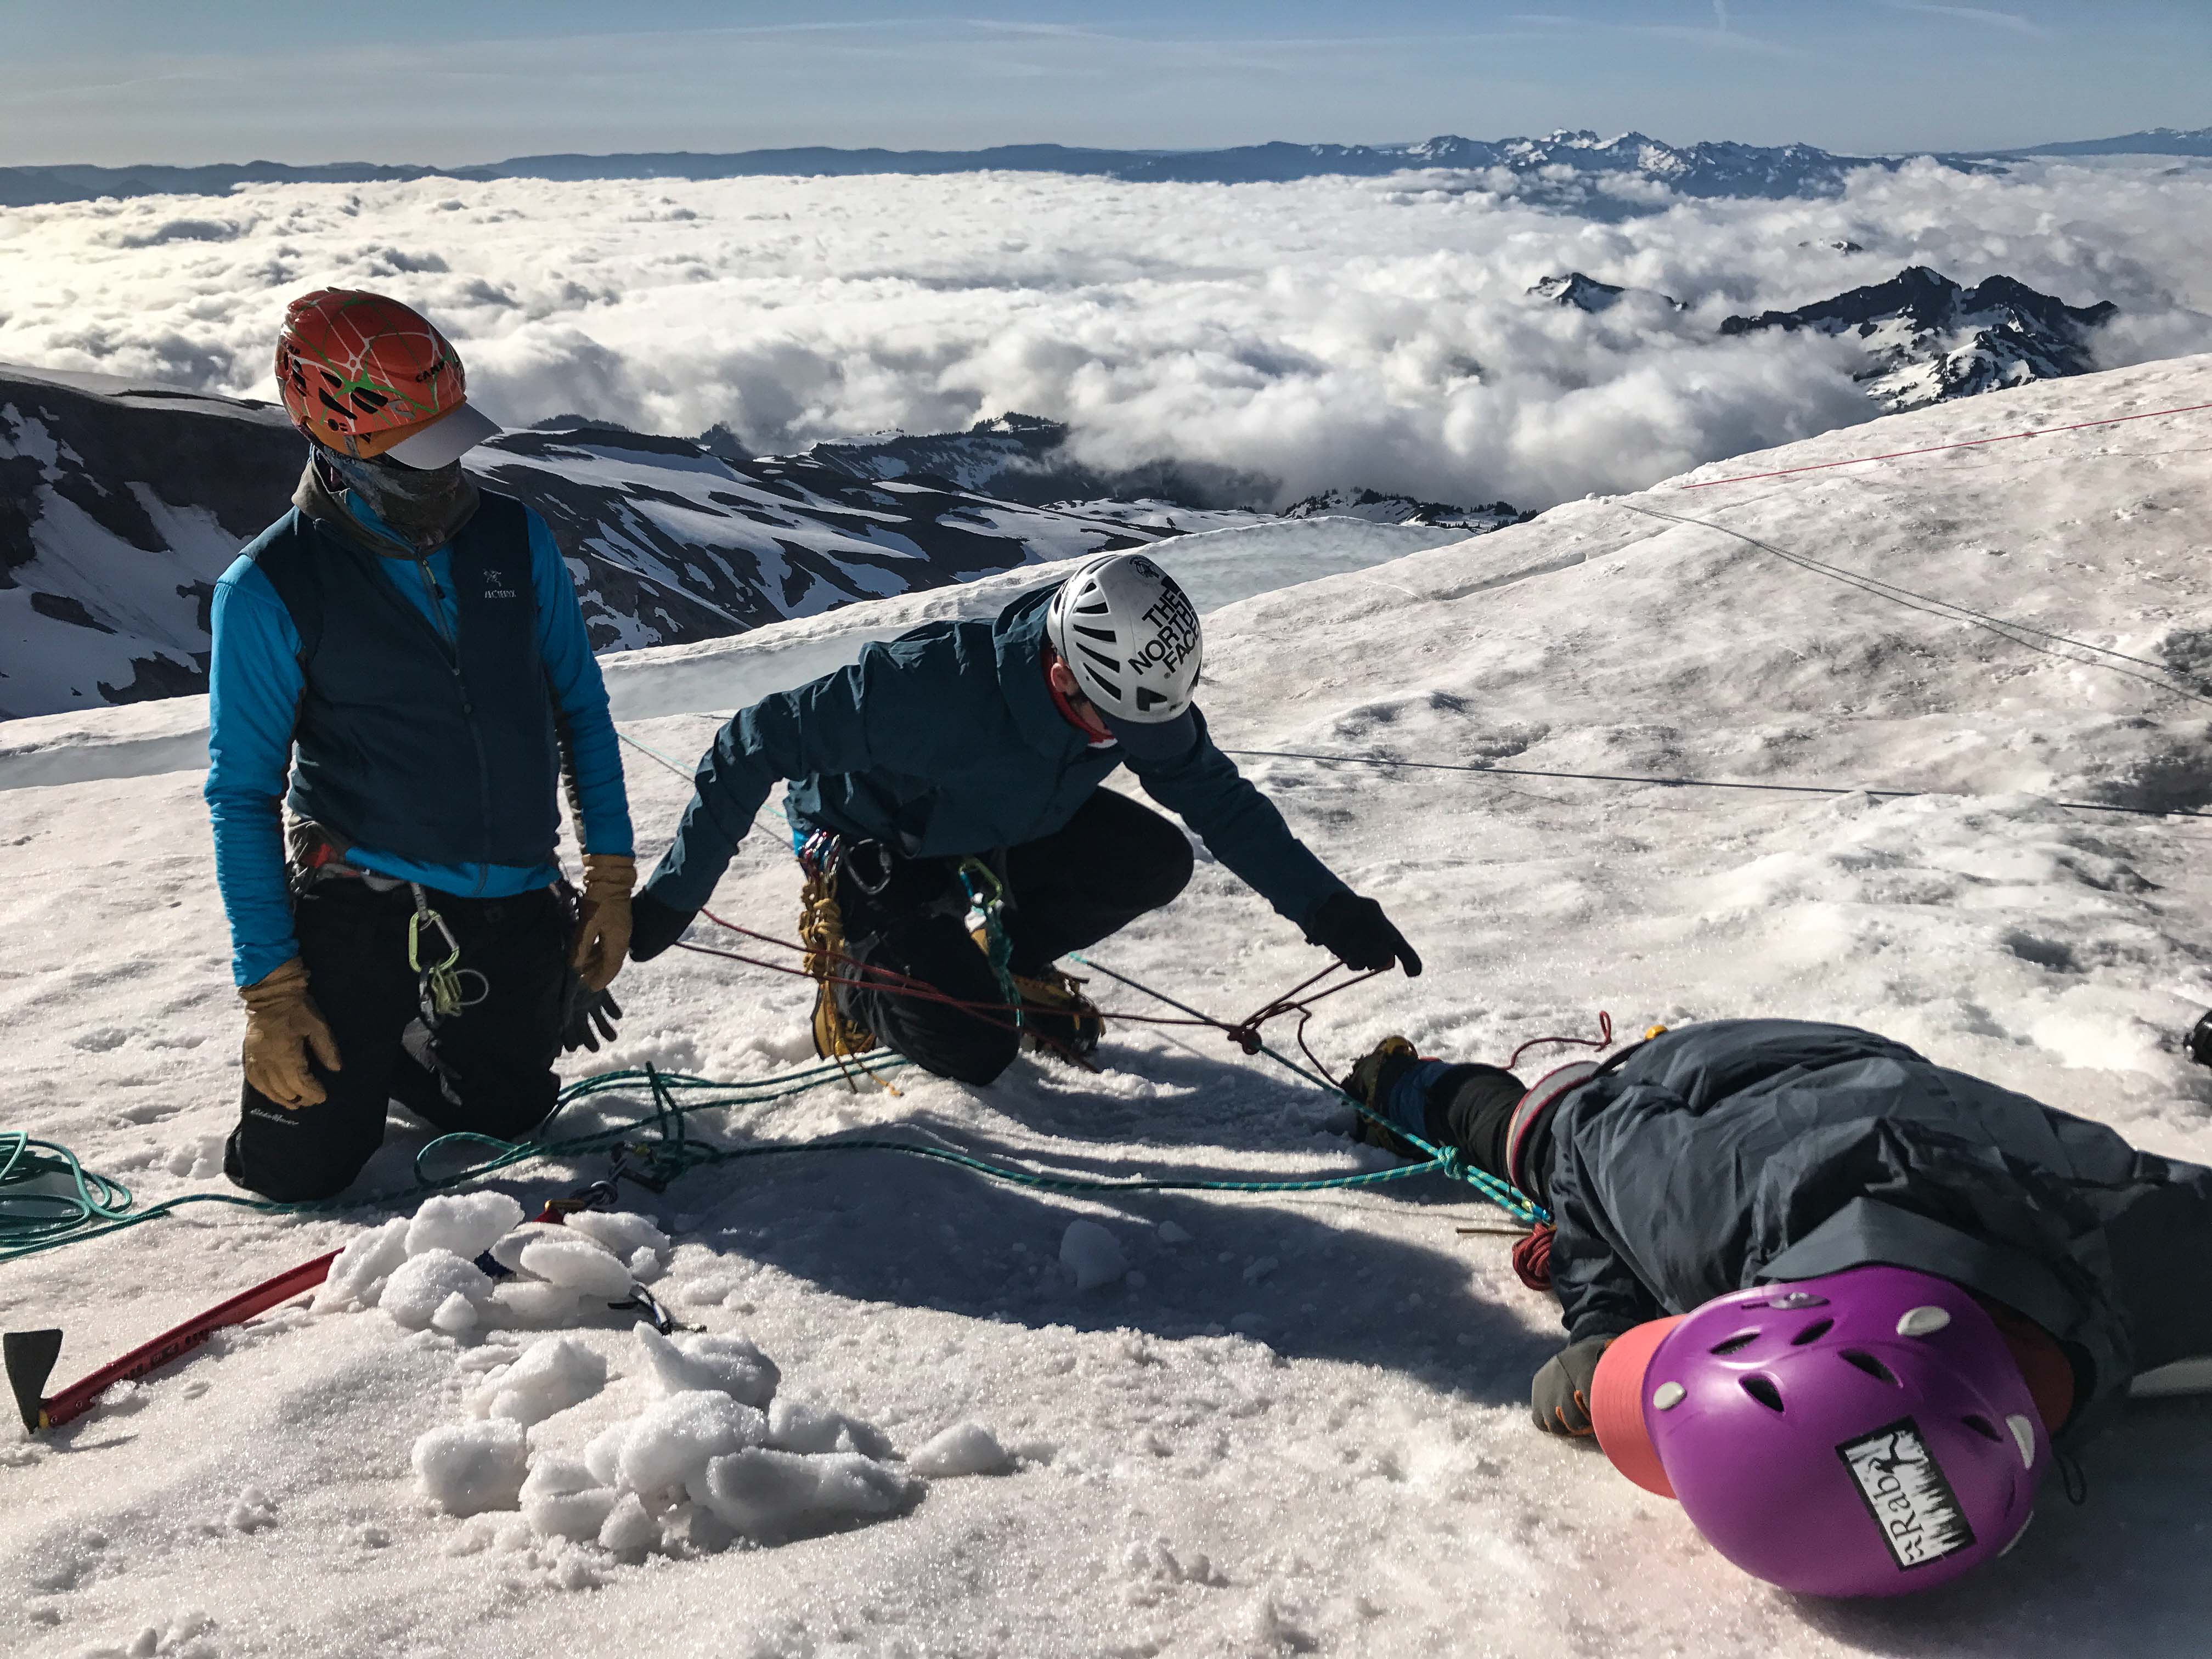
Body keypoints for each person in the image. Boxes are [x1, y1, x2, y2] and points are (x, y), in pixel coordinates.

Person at [1344, 1019, 2212, 1596]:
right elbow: (1586, 1130)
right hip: (1706, 1080)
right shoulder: (1699, 1210)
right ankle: (1400, 1084)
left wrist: (1611, 1333)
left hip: (1843, 1111)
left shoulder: (2153, 1252)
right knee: (1534, 1133)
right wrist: (1602, 1322)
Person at [629, 551, 1420, 1081]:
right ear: (1059, 671)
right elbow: (753, 741)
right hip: (878, 839)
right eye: (1110, 723)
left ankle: (1005, 961)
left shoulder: (1130, 695)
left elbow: (1219, 800)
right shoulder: (928, 690)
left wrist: (1328, 907)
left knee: (1155, 858)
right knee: (974, 1047)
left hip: (999, 825)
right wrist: (674, 896)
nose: (1124, 743)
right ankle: (857, 989)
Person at [206, 289, 635, 1202]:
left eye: (448, 440)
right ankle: (372, 1031)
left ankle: (408, 1041)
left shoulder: (512, 538)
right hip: (363, 893)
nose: (444, 472)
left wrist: (609, 878)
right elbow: (243, 795)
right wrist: (272, 995)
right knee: (298, 1170)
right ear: (334, 434)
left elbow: (581, 709)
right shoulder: (271, 586)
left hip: (510, 888)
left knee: (510, 1116)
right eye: (414, 452)